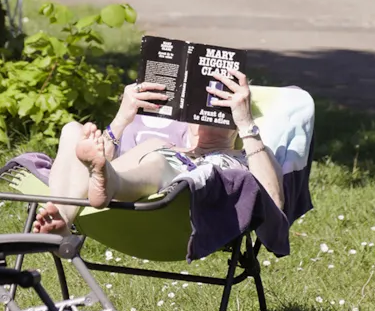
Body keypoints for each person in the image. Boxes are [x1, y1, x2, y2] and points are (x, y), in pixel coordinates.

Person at [33, 69, 284, 235]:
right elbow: (99, 159)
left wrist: (246, 124)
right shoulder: (169, 144)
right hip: (125, 200)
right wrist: (121, 120)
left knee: (158, 158)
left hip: (178, 211)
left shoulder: (249, 154)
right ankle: (63, 220)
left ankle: (106, 182)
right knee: (72, 129)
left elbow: (274, 203)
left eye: (226, 107)